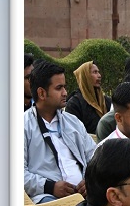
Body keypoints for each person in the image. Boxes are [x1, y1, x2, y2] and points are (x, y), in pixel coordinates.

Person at [25, 64, 96, 198]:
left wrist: (90, 180)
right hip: (46, 197)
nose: (65, 93)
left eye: (64, 87)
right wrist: (49, 187)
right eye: (59, 88)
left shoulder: (73, 122)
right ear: (41, 93)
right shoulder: (23, 126)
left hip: (84, 195)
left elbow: (94, 157)